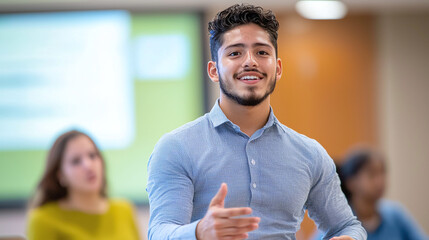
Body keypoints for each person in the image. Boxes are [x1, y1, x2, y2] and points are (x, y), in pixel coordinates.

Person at [147, 4, 366, 240]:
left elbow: (347, 225)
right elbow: (159, 232)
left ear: (278, 68)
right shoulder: (176, 148)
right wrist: (199, 232)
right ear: (213, 71)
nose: (250, 62)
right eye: (234, 53)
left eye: (262, 52)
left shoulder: (310, 154)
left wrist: (349, 238)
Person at [27, 130, 140, 240]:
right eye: (76, 161)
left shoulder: (124, 210)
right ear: (61, 175)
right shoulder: (43, 220)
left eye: (92, 155)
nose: (88, 165)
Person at [312, 148, 427, 240]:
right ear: (351, 182)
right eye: (372, 175)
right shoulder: (338, 224)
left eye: (382, 173)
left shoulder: (395, 214)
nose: (380, 181)